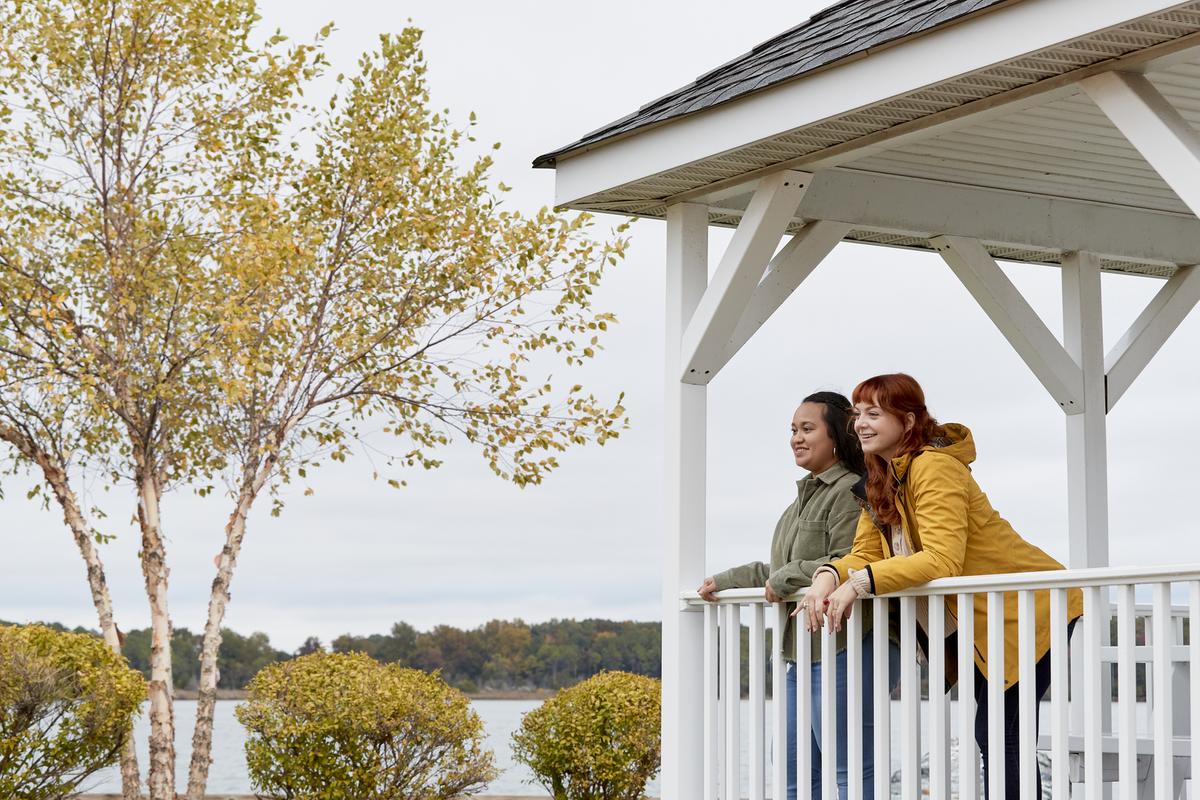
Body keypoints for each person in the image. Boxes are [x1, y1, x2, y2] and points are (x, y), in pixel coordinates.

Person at [798, 373, 1084, 800]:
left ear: (908, 421)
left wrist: (858, 584)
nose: (861, 424)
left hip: (1026, 607)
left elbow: (942, 558)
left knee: (999, 732)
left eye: (874, 414)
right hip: (980, 618)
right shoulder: (881, 474)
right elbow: (864, 552)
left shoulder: (934, 466)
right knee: (996, 732)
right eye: (857, 414)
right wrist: (828, 576)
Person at [698, 391, 899, 800]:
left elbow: (850, 560)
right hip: (802, 654)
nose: (796, 438)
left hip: (848, 646)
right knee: (792, 769)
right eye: (793, 429)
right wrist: (726, 579)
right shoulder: (801, 498)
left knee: (849, 770)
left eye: (807, 429)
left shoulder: (851, 492)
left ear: (837, 436)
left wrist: (788, 576)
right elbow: (780, 570)